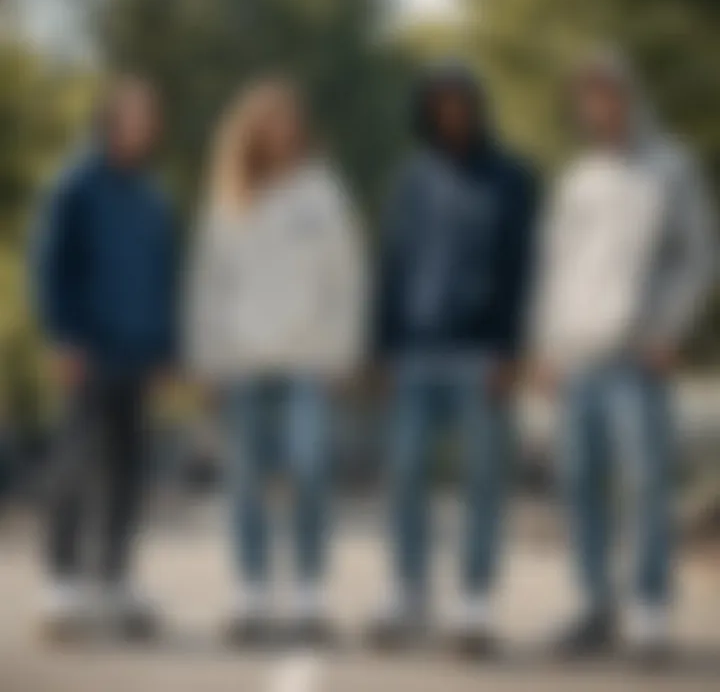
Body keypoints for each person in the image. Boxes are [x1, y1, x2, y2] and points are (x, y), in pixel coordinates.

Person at [532, 51, 717, 660]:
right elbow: (554, 268)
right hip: (576, 357)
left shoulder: (671, 167)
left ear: (630, 97)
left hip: (636, 357)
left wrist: (668, 327)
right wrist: (546, 348)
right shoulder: (578, 179)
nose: (600, 105)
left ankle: (649, 613)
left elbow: (698, 255)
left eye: (609, 93)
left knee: (646, 485)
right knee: (580, 486)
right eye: (589, 96)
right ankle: (595, 607)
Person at [186, 80, 366, 645]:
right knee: (245, 483)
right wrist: (207, 358)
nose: (279, 130)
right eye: (267, 121)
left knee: (310, 474)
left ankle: (310, 596)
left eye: (288, 119)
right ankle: (251, 596)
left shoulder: (325, 192)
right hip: (242, 364)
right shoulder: (228, 195)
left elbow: (350, 279)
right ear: (249, 130)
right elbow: (207, 284)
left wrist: (343, 351)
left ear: (300, 127)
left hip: (309, 364)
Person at [368, 62, 539, 653]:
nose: (452, 113)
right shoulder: (411, 180)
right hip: (414, 353)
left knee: (484, 481)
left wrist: (511, 350)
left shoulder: (512, 178)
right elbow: (391, 264)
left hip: (481, 355)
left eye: (461, 103)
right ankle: (409, 591)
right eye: (440, 104)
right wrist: (381, 350)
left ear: (477, 107)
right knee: (407, 473)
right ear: (428, 111)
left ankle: (474, 600)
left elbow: (523, 269)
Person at [33, 76, 177, 638]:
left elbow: (164, 276)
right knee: (73, 464)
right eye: (138, 114)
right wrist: (62, 335)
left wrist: (167, 348)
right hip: (87, 350)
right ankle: (62, 583)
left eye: (152, 116)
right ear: (112, 119)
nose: (147, 124)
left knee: (128, 469)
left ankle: (114, 578)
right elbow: (50, 266)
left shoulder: (153, 197)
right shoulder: (75, 185)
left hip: (139, 353)